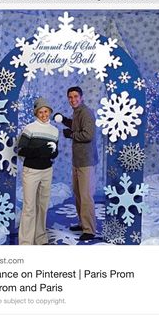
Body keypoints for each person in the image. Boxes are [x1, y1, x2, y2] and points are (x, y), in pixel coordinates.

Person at [54, 86, 98, 241]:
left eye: (75, 96)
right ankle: (82, 223)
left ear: (82, 97)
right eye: (70, 97)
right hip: (77, 161)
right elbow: (76, 125)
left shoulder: (86, 112)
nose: (73, 100)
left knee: (86, 196)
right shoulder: (77, 112)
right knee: (78, 195)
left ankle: (89, 230)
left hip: (86, 161)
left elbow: (88, 134)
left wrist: (71, 135)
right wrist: (65, 120)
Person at [18, 97, 58, 245]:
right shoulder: (30, 128)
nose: (44, 114)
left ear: (50, 112)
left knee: (43, 205)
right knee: (29, 207)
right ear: (36, 113)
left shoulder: (54, 131)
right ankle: (26, 242)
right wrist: (39, 151)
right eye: (40, 112)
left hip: (47, 171)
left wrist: (54, 153)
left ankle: (40, 238)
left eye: (46, 111)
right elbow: (21, 150)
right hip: (31, 171)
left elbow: (54, 150)